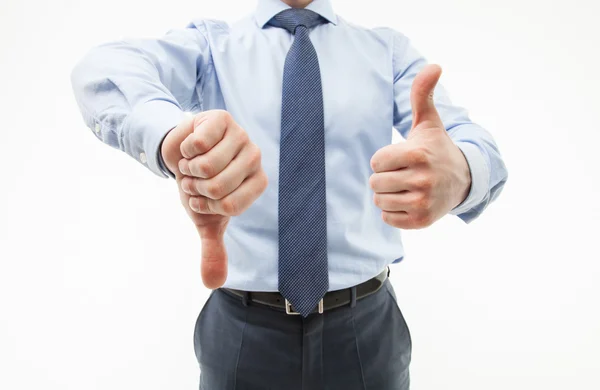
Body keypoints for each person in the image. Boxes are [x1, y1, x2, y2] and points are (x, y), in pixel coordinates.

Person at [70, 0, 508, 388]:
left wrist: (461, 175)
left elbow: (476, 147)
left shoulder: (386, 51)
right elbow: (102, 70)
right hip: (241, 331)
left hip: (367, 330)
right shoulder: (212, 46)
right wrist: (169, 137)